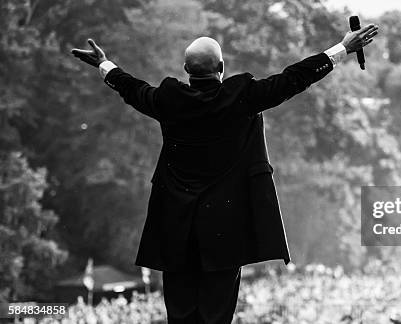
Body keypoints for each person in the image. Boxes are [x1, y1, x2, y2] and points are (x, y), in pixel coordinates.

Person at [71, 22, 379, 323]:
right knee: (216, 314)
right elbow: (294, 78)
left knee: (179, 314)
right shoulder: (241, 96)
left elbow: (132, 88)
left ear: (185, 69)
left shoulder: (169, 99)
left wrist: (104, 63)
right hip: (226, 230)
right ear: (221, 67)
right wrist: (343, 48)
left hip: (176, 228)